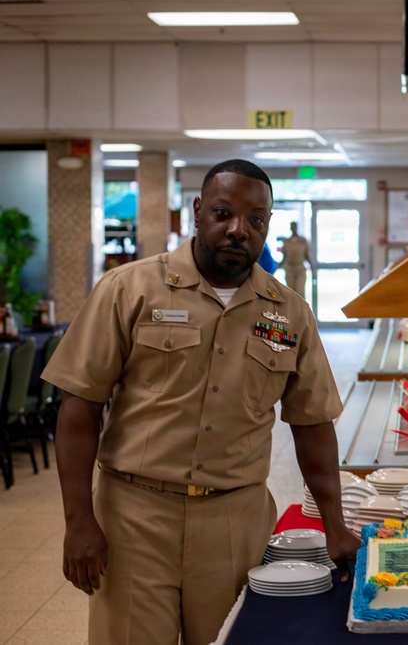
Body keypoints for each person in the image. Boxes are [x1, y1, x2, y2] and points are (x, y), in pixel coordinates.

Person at [42, 159, 359, 645]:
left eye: (256, 220)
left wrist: (334, 525)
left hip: (235, 520)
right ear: (197, 211)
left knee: (229, 638)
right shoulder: (129, 289)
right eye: (223, 213)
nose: (239, 230)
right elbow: (78, 407)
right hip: (134, 518)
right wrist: (78, 521)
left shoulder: (289, 312)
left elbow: (312, 424)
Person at [278, 221, 312, 298]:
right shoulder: (286, 241)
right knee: (290, 293)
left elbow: (306, 255)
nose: (293, 228)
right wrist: (276, 268)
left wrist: (312, 268)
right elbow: (284, 257)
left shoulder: (302, 241)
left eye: (295, 226)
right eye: (292, 227)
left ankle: (301, 310)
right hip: (290, 268)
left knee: (300, 292)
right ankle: (291, 310)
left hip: (300, 268)